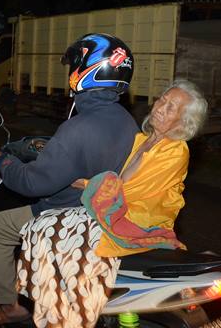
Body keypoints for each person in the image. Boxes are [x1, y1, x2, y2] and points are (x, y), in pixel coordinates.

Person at [16, 79, 209, 328]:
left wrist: (86, 183)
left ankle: (71, 317)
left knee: (59, 237)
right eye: (163, 99)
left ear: (183, 123)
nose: (161, 107)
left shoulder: (176, 151)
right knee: (41, 226)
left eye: (172, 107)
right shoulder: (141, 139)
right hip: (113, 210)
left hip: (136, 221)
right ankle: (57, 307)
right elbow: (112, 171)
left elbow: (129, 191)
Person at [0, 33, 139, 326]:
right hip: (105, 210)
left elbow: (33, 183)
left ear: (89, 69)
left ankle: (12, 306)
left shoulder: (78, 127)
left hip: (68, 211)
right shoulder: (127, 120)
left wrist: (1, 159)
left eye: (75, 65)